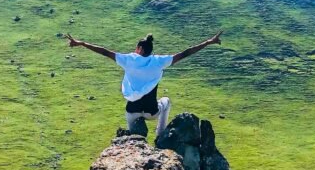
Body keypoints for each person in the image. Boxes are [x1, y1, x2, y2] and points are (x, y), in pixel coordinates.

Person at [66, 30, 222, 137]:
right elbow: (185, 53)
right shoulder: (158, 61)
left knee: (132, 133)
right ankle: (160, 134)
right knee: (166, 102)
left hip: (132, 112)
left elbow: (104, 51)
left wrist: (81, 43)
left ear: (139, 48)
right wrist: (208, 42)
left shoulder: (129, 60)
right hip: (152, 112)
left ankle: (134, 143)